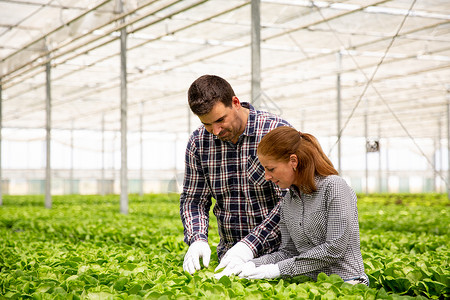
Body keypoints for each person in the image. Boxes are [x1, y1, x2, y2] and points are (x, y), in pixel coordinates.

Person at [180, 75, 291, 276]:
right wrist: (197, 238)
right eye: (207, 124)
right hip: (228, 259)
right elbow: (194, 200)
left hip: (279, 258)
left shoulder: (274, 131)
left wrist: (249, 246)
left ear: (236, 103)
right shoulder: (198, 143)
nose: (216, 131)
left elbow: (291, 201)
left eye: (220, 120)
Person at [236, 126, 369, 286]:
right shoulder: (288, 200)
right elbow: (287, 252)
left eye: (271, 169)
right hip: (312, 286)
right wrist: (250, 265)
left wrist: (276, 270)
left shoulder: (334, 187)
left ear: (293, 161)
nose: (267, 176)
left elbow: (334, 248)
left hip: (348, 284)